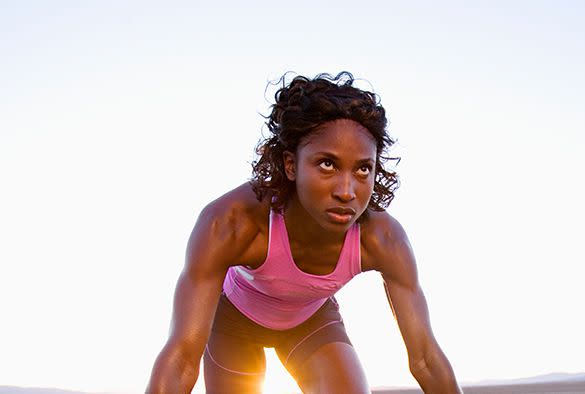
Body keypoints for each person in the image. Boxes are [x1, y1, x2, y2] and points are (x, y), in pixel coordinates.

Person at [147, 72, 462, 394]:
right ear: (290, 164)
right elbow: (182, 360)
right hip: (231, 324)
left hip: (311, 323)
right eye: (327, 164)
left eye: (363, 168)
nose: (346, 191)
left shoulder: (383, 239)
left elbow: (424, 358)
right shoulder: (230, 222)